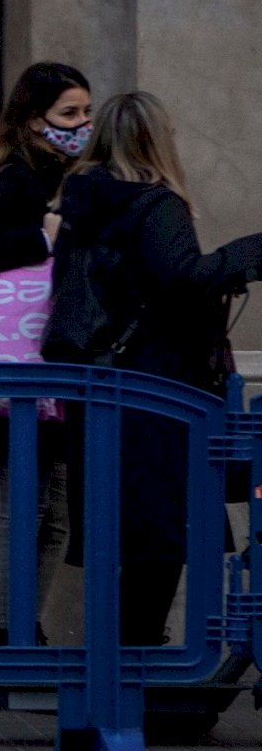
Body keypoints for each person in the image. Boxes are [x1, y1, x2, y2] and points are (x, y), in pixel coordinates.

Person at [51, 91, 262, 645]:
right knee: (164, 534)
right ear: (156, 139)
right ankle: (140, 658)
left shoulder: (81, 202)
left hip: (100, 385)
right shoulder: (156, 205)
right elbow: (183, 277)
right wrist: (246, 255)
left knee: (127, 534)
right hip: (158, 391)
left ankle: (124, 656)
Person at [0, 60, 91, 641]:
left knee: (51, 512)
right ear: (33, 121)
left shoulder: (49, 176)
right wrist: (41, 238)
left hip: (33, 370)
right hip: (16, 370)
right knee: (28, 507)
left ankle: (25, 628)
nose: (81, 124)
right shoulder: (13, 181)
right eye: (68, 114)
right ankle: (14, 632)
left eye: (84, 112)